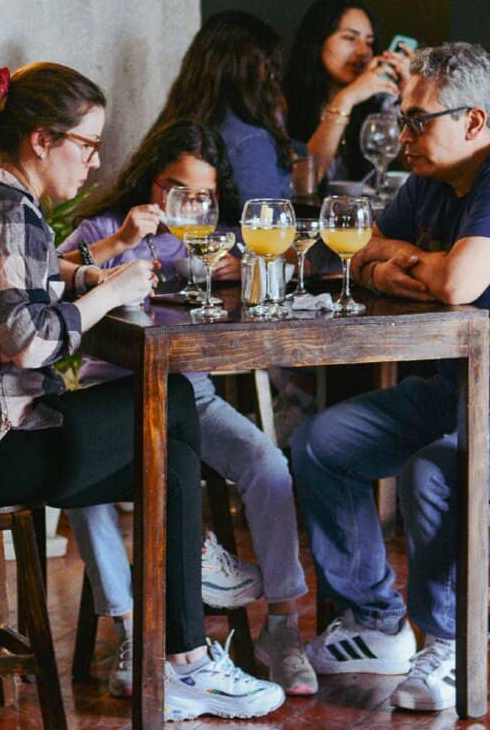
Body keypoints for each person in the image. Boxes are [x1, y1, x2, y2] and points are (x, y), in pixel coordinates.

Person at [0, 62, 284, 722]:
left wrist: (99, 264)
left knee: (171, 449)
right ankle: (188, 647)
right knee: (177, 409)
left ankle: (180, 647)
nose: (95, 163)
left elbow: (27, 282)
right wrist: (108, 294)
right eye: (86, 145)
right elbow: (29, 341)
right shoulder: (11, 212)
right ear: (42, 140)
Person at [292, 43, 490, 712]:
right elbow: (356, 252)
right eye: (403, 119)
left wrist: (408, 263)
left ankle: (450, 643)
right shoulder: (433, 176)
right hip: (461, 389)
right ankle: (376, 625)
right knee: (322, 441)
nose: (403, 133)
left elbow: (458, 283)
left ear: (473, 121)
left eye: (417, 120)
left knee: (436, 472)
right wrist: (408, 264)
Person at [58, 118, 316, 698]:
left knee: (268, 465)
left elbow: (288, 269)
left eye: (202, 195)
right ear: (151, 183)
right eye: (175, 189)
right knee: (86, 493)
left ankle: (283, 627)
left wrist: (250, 265)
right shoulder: (106, 226)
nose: (188, 205)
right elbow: (46, 271)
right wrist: (121, 242)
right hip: (113, 395)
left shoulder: (217, 237)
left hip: (192, 396)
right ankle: (129, 632)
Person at [146, 10, 296, 203]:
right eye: (271, 68)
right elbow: (265, 226)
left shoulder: (174, 123)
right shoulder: (251, 142)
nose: (274, 79)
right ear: (252, 73)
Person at [283, 0, 407, 184]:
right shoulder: (282, 103)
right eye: (350, 38)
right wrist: (346, 99)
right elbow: (304, 184)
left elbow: (416, 169)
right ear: (317, 40)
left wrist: (410, 97)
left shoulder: (382, 103)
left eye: (369, 43)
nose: (363, 52)